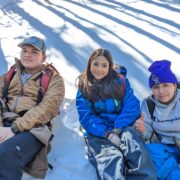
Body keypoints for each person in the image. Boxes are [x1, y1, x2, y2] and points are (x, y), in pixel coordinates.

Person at [76, 48, 156, 180]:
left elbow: (131, 106)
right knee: (111, 159)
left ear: (110, 67)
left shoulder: (120, 82)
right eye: (95, 64)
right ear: (90, 64)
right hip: (99, 133)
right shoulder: (84, 87)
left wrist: (118, 127)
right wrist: (108, 134)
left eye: (104, 65)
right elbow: (86, 117)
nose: (99, 69)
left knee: (136, 152)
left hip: (123, 127)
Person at [0, 36, 65, 179]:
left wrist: (14, 128)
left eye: (34, 52)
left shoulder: (54, 79)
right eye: (24, 50)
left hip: (33, 129)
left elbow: (49, 108)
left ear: (43, 57)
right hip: (5, 122)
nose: (27, 54)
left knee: (4, 153)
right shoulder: (9, 76)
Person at [135, 60, 180, 180]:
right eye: (156, 87)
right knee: (147, 152)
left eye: (165, 85)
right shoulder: (149, 103)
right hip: (165, 149)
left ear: (174, 85)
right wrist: (142, 129)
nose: (161, 91)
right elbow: (147, 132)